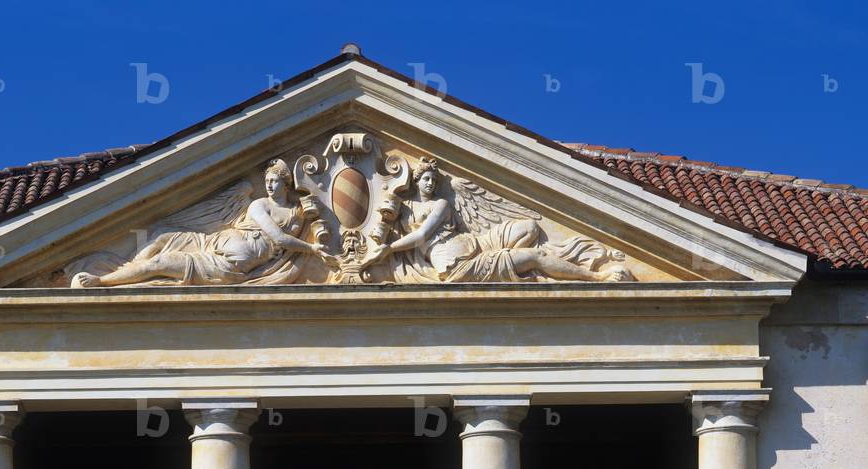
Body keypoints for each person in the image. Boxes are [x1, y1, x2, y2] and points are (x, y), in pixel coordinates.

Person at [73, 159, 333, 287]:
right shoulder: (258, 205)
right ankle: (129, 267)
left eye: (274, 180)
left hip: (221, 265)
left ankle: (103, 281)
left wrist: (312, 219)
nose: (268, 184)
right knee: (163, 235)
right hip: (210, 243)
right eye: (266, 180)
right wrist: (311, 249)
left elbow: (287, 239)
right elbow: (278, 239)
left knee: (159, 263)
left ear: (286, 183)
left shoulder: (294, 214)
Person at [367, 158, 631, 283]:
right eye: (425, 179)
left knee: (529, 226)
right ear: (416, 180)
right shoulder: (406, 208)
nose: (430, 183)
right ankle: (596, 277)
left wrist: (388, 249)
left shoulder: (441, 203)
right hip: (461, 266)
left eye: (434, 180)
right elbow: (410, 234)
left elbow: (422, 235)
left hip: (478, 244)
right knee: (534, 257)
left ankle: (524, 265)